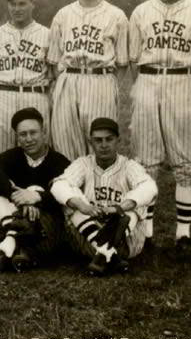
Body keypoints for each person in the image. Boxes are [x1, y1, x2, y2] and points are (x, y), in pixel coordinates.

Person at [127, 0, 191, 256]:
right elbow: (133, 58)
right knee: (145, 161)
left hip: (183, 80)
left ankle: (182, 233)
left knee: (185, 162)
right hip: (148, 81)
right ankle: (147, 232)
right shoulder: (140, 12)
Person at [51, 118, 157, 276]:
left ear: (118, 141)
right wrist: (82, 206)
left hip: (126, 242)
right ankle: (108, 254)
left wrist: (119, 207)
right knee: (70, 199)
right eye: (98, 140)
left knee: (136, 203)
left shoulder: (129, 166)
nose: (104, 144)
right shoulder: (83, 164)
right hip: (88, 237)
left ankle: (103, 252)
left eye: (109, 139)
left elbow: (150, 187)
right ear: (90, 142)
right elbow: (58, 185)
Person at [47, 0, 129, 161]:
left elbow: (122, 63)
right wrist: (66, 80)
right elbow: (53, 60)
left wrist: (107, 84)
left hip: (100, 79)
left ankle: (99, 190)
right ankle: (70, 191)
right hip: (69, 78)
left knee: (100, 143)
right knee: (64, 142)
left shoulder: (116, 15)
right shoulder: (62, 15)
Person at [0, 108, 70, 273]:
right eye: (23, 134)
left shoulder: (59, 162)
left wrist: (36, 197)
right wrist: (20, 197)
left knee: (35, 191)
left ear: (44, 133)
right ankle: (19, 252)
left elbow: (65, 196)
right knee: (0, 197)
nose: (28, 139)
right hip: (16, 216)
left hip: (46, 226)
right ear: (17, 137)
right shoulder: (12, 157)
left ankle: (6, 250)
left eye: (33, 133)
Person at [0, 0, 52, 166]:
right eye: (13, 4)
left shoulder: (47, 34)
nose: (17, 9)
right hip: (3, 95)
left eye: (22, 4)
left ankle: (35, 193)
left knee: (36, 154)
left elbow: (54, 74)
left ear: (32, 4)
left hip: (35, 94)